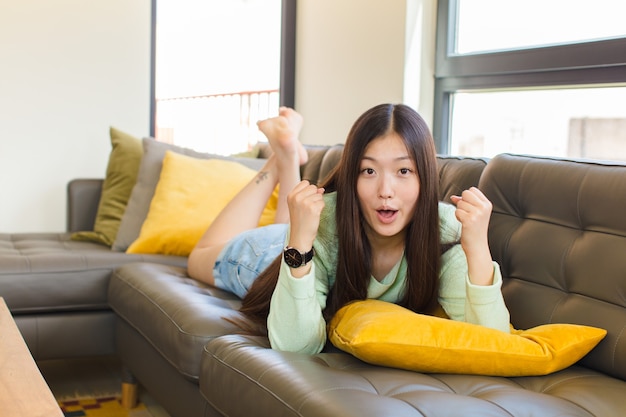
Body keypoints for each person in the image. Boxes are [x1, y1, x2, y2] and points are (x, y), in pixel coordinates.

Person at [188, 104, 510, 355]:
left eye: (403, 170)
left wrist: (478, 248)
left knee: (297, 222)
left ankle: (287, 155)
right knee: (198, 257)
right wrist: (299, 241)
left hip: (308, 240)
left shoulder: (447, 229)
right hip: (279, 257)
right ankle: (279, 160)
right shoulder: (327, 221)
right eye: (369, 170)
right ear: (351, 178)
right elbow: (294, 347)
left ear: (425, 176)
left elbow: (496, 343)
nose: (386, 190)